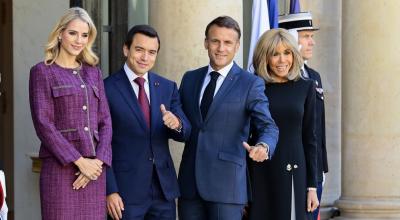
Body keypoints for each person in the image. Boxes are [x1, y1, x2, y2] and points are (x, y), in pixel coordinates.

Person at [178, 16, 279, 220]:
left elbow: (269, 127)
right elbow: (184, 127)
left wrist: (264, 147)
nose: (220, 48)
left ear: (237, 46)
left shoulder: (250, 83)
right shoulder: (190, 79)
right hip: (189, 185)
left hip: (227, 186)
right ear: (206, 42)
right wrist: (174, 123)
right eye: (215, 41)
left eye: (228, 43)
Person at [29, 7, 112, 219]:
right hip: (60, 171)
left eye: (84, 35)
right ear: (60, 33)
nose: (79, 40)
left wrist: (98, 162)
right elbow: (43, 124)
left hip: (94, 172)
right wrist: (79, 161)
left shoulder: (94, 72)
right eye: (73, 33)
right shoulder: (42, 72)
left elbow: (105, 121)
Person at [104, 24, 191, 220]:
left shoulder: (167, 87)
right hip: (125, 192)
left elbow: (186, 132)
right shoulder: (106, 89)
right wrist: (110, 190)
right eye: (139, 50)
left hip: (163, 191)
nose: (145, 57)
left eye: (152, 52)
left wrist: (176, 123)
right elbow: (101, 145)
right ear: (126, 49)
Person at [247, 28, 319, 220]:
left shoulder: (306, 87)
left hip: (295, 172)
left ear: (294, 55)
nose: (282, 60)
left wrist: (312, 186)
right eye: (275, 54)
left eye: (287, 53)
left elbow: (310, 139)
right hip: (261, 171)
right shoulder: (254, 87)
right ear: (264, 57)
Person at [279, 12, 328, 219]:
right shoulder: (278, 79)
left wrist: (322, 169)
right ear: (291, 37)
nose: (312, 42)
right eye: (306, 36)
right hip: (288, 168)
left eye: (312, 36)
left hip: (314, 169)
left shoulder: (313, 76)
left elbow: (317, 127)